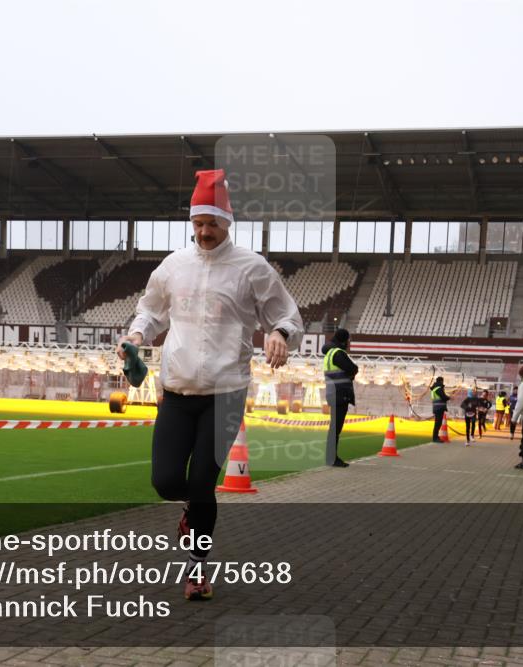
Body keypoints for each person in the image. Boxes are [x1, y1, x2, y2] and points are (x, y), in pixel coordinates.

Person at [120, 169, 303, 600]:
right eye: (197, 224)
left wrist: (279, 334)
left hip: (225, 393)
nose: (203, 232)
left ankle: (197, 569)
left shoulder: (252, 268)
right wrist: (136, 335)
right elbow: (150, 311)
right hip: (177, 391)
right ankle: (191, 509)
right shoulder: (173, 266)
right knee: (166, 482)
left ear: (227, 222)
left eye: (211, 224)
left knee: (203, 483)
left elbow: (286, 315)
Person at [322, 329, 358, 467]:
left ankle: (331, 457)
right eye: (348, 340)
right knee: (336, 428)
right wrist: (352, 373)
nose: (349, 343)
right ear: (344, 340)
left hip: (333, 393)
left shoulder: (330, 353)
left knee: (334, 427)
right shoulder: (338, 353)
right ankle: (332, 458)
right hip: (340, 394)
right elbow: (353, 368)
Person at [430, 376, 451, 442]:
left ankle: (436, 437)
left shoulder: (434, 388)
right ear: (441, 381)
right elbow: (443, 397)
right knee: (438, 423)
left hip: (436, 407)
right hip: (439, 408)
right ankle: (435, 438)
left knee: (437, 423)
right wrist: (449, 397)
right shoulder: (439, 388)